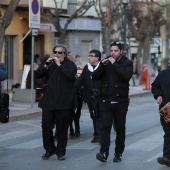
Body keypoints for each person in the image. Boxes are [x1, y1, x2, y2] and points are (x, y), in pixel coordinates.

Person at [92, 42, 133, 162]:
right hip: (105, 101)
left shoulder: (127, 62)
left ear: (121, 51)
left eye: (115, 51)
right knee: (105, 128)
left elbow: (126, 76)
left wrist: (114, 64)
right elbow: (95, 76)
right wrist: (101, 66)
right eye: (111, 51)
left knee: (120, 129)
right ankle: (103, 152)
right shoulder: (105, 62)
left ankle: (118, 153)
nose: (113, 53)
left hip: (121, 102)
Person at [35, 44, 77, 160]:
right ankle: (49, 149)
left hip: (64, 102)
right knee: (46, 127)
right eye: (55, 52)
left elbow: (69, 76)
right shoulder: (49, 65)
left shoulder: (70, 65)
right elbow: (38, 74)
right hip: (49, 101)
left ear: (64, 54)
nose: (57, 55)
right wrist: (45, 65)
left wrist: (59, 65)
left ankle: (60, 152)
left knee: (62, 129)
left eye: (60, 53)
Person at [75, 49, 101, 144]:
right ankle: (96, 134)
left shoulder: (102, 67)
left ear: (97, 58)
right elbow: (81, 80)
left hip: (100, 96)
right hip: (90, 96)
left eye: (91, 56)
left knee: (99, 116)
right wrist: (73, 88)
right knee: (93, 115)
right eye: (89, 55)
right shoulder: (87, 67)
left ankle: (100, 135)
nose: (89, 57)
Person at [151, 61, 170, 167]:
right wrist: (158, 95)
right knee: (168, 133)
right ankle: (167, 157)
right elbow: (154, 86)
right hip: (167, 108)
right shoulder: (163, 73)